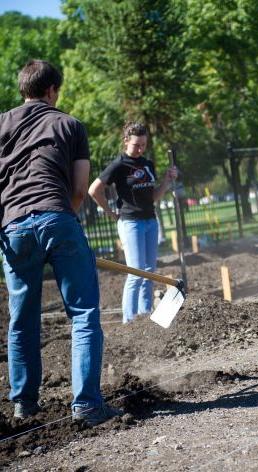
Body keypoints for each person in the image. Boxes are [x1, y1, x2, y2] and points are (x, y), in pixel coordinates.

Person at [0, 60, 121, 424]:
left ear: (24, 89)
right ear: (52, 90)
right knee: (83, 314)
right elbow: (80, 190)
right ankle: (86, 405)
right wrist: (60, 223)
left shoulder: (1, 123)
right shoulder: (69, 124)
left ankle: (23, 404)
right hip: (57, 216)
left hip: (14, 227)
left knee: (21, 319)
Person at [88, 122, 177, 323]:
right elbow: (94, 190)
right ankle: (129, 321)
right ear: (126, 141)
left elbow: (153, 197)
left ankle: (144, 315)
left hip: (150, 221)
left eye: (143, 145)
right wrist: (111, 213)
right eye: (136, 144)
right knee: (136, 272)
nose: (140, 149)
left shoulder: (147, 164)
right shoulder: (119, 165)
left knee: (150, 272)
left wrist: (167, 180)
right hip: (131, 223)